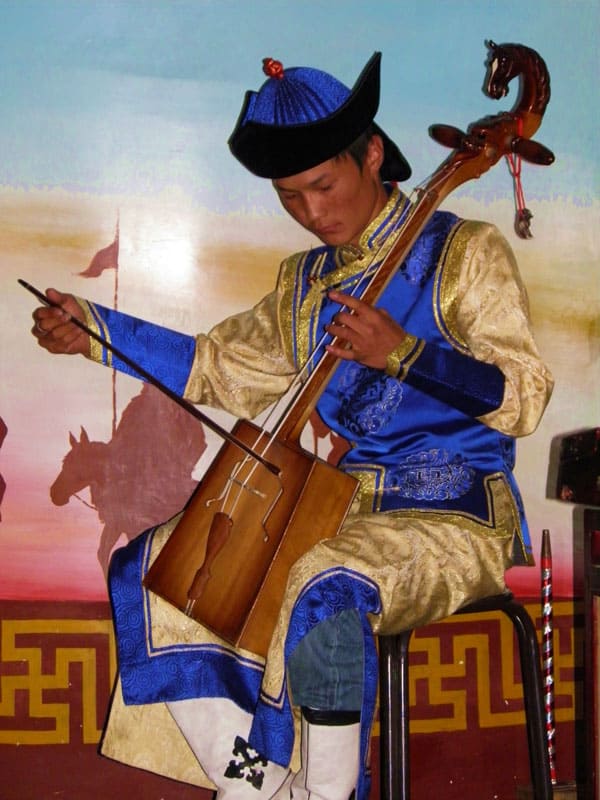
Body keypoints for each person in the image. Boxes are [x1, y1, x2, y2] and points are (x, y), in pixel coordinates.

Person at [30, 52, 553, 800]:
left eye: (323, 186)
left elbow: (524, 397)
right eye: (290, 197)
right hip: (336, 508)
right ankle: (266, 786)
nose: (312, 213)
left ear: (372, 155)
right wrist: (95, 331)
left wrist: (402, 353)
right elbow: (217, 366)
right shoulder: (304, 286)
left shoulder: (463, 254)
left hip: (455, 514)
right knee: (155, 569)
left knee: (323, 581)